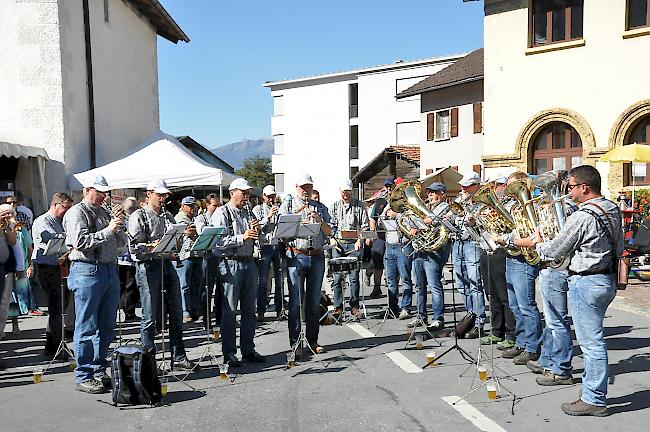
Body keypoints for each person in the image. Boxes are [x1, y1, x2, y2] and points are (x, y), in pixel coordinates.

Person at [521, 165, 622, 416]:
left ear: (584, 187)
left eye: (572, 186)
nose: (568, 191)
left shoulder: (582, 215)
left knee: (591, 344)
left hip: (586, 281)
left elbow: (555, 251)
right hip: (605, 279)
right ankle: (592, 392)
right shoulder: (611, 208)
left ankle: (594, 399)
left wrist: (538, 242)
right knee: (594, 340)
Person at [63, 175, 126, 394]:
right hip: (87, 269)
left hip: (108, 268)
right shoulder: (76, 212)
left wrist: (119, 227)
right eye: (99, 192)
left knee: (106, 326)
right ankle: (84, 374)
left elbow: (121, 245)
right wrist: (109, 229)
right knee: (87, 325)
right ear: (87, 190)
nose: (104, 196)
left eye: (105, 192)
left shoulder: (104, 213)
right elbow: (81, 242)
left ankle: (99, 369)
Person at [129, 179, 199, 372]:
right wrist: (156, 244)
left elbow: (175, 246)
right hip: (148, 266)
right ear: (149, 193)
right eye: (159, 194)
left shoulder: (168, 215)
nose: (163, 198)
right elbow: (135, 248)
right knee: (150, 316)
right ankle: (149, 362)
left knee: (176, 313)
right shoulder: (139, 216)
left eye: (165, 195)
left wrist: (184, 235)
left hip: (167, 264)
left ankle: (178, 357)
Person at [212, 178, 265, 367]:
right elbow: (218, 242)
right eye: (243, 193)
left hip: (249, 262)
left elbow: (258, 238)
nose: (247, 196)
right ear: (232, 192)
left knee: (250, 310)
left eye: (248, 193)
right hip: (230, 263)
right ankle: (229, 353)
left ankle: (248, 349)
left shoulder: (247, 213)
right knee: (230, 311)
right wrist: (242, 237)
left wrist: (257, 231)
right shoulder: (222, 212)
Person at [279, 173, 332, 354]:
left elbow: (330, 231)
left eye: (308, 187)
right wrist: (297, 218)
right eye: (302, 187)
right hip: (296, 254)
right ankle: (295, 343)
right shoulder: (288, 204)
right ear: (296, 187)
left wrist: (319, 220)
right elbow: (281, 232)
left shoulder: (321, 207)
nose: (305, 190)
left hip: (316, 255)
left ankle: (313, 341)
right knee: (295, 301)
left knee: (314, 300)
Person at [496, 172, 542, 365]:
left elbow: (533, 233)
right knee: (514, 305)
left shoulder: (532, 206)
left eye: (512, 186)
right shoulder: (513, 207)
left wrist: (507, 238)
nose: (508, 189)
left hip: (524, 258)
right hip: (512, 256)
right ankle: (521, 341)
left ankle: (532, 347)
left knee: (526, 306)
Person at [32, 193, 74, 356]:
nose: (67, 211)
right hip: (46, 267)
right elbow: (51, 239)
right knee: (56, 306)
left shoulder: (62, 221)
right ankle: (53, 345)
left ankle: (56, 343)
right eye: (65, 207)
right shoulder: (43, 221)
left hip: (61, 266)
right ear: (55, 205)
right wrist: (71, 237)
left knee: (61, 306)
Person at [406, 182, 453, 331]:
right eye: (430, 192)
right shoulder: (426, 207)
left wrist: (415, 225)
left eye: (434, 192)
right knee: (419, 286)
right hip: (420, 250)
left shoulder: (444, 206)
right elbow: (412, 221)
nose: (431, 195)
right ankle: (421, 316)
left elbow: (431, 220)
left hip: (434, 252)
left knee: (434, 286)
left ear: (442, 194)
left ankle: (438, 318)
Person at [480, 176, 516, 350]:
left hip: (502, 251)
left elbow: (512, 226)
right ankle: (496, 330)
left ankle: (510, 333)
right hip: (487, 251)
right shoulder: (490, 206)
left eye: (497, 186)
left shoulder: (511, 205)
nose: (495, 190)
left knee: (504, 295)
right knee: (492, 295)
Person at [452, 172, 486, 338]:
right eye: (462, 185)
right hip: (458, 243)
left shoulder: (482, 202)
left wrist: (475, 222)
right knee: (461, 283)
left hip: (473, 243)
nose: (462, 188)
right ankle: (469, 316)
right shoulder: (459, 201)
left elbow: (486, 224)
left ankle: (479, 321)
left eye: (466, 186)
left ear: (476, 186)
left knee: (474, 284)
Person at [330, 179, 369, 317]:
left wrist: (360, 240)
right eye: (343, 191)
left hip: (353, 243)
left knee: (353, 277)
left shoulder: (359, 206)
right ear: (340, 192)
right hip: (339, 244)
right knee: (337, 277)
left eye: (348, 191)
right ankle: (338, 306)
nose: (345, 194)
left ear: (351, 192)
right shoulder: (334, 206)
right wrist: (332, 239)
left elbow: (365, 225)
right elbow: (331, 226)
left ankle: (354, 306)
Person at [379, 179, 414, 319]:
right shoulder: (389, 205)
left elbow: (412, 221)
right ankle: (393, 308)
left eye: (391, 188)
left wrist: (397, 215)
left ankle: (406, 307)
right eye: (387, 188)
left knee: (405, 278)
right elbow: (381, 221)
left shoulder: (407, 205)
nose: (389, 190)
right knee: (391, 280)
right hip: (390, 245)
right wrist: (387, 206)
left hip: (403, 245)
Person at [253, 185, 283, 320]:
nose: (271, 199)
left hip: (278, 245)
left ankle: (279, 309)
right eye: (269, 196)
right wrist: (268, 217)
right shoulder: (257, 209)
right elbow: (256, 227)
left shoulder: (279, 209)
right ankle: (261, 309)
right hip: (265, 246)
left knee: (280, 281)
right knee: (263, 280)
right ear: (263, 196)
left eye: (273, 196)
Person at [194, 193, 222, 329]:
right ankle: (206, 319)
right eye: (214, 206)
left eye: (219, 206)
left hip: (221, 256)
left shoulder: (222, 215)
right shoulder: (201, 218)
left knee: (221, 289)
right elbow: (202, 232)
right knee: (207, 289)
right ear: (207, 205)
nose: (217, 209)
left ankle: (219, 318)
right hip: (208, 256)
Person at [175, 196, 203, 322]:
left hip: (196, 254)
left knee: (196, 284)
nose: (193, 208)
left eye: (194, 206)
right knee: (184, 284)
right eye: (190, 206)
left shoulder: (196, 218)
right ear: (183, 206)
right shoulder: (179, 218)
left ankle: (194, 309)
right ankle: (185, 311)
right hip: (184, 256)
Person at [117, 197, 139, 321]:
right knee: (129, 287)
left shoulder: (127, 219)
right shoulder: (126, 220)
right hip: (125, 258)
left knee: (126, 287)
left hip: (125, 258)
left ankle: (128, 311)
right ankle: (129, 313)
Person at [0, 206, 15, 369]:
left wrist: (9, 226)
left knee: (2, 309)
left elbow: (12, 241)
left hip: (2, 268)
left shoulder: (3, 225)